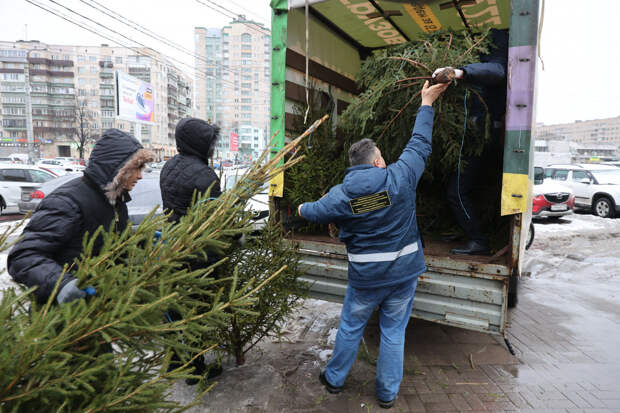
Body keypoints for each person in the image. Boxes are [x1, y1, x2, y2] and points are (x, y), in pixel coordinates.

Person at [297, 81, 450, 409]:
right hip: (403, 277)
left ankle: (335, 380)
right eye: (382, 156)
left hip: (365, 280)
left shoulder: (341, 195)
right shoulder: (400, 177)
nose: (385, 160)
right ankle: (386, 394)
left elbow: (311, 211)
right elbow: (420, 142)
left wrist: (298, 208)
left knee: (351, 326)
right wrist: (426, 103)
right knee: (394, 332)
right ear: (377, 162)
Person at [8, 129, 154, 304]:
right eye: (135, 168)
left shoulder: (114, 199)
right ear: (117, 167)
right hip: (66, 316)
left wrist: (143, 243)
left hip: (101, 309)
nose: (140, 176)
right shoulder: (67, 202)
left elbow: (107, 245)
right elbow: (23, 257)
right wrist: (61, 284)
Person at [432, 28, 509, 255]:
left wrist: (459, 72)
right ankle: (464, 230)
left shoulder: (495, 59)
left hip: (479, 137)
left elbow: (497, 71)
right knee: (459, 187)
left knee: (456, 190)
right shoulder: (483, 60)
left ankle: (478, 240)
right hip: (473, 136)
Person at [159, 117, 222, 385]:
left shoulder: (167, 167)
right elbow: (215, 220)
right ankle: (195, 369)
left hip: (171, 246)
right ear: (200, 143)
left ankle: (174, 362)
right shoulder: (205, 175)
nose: (212, 148)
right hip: (197, 253)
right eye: (210, 142)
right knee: (196, 309)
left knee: (174, 306)